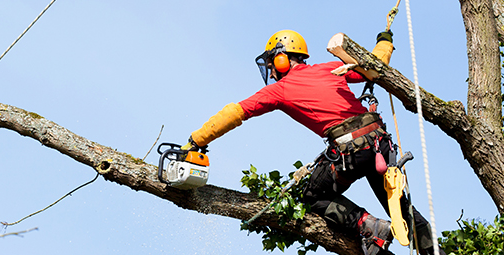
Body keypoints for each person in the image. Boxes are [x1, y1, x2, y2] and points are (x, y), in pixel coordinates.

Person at [179, 30, 444, 255]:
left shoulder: (279, 90)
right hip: (379, 145)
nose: (271, 72)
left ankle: (367, 224)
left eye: (272, 64)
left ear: (282, 58)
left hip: (350, 151)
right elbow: (374, 66)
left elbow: (236, 112)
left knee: (312, 197)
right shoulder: (330, 68)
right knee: (400, 207)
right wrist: (385, 40)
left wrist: (196, 140)